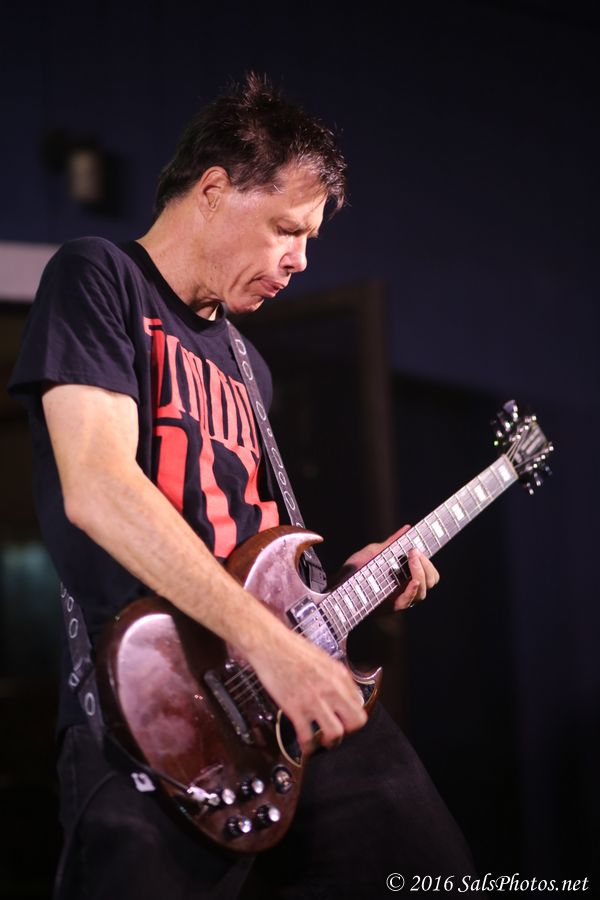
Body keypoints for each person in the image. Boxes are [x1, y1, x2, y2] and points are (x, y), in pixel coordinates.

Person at [10, 73, 476, 899]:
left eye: (311, 239)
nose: (300, 259)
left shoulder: (247, 366)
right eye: (287, 229)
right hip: (153, 709)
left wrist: (338, 589)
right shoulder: (97, 279)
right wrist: (269, 644)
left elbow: (249, 552)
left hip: (285, 700)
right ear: (215, 190)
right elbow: (98, 487)